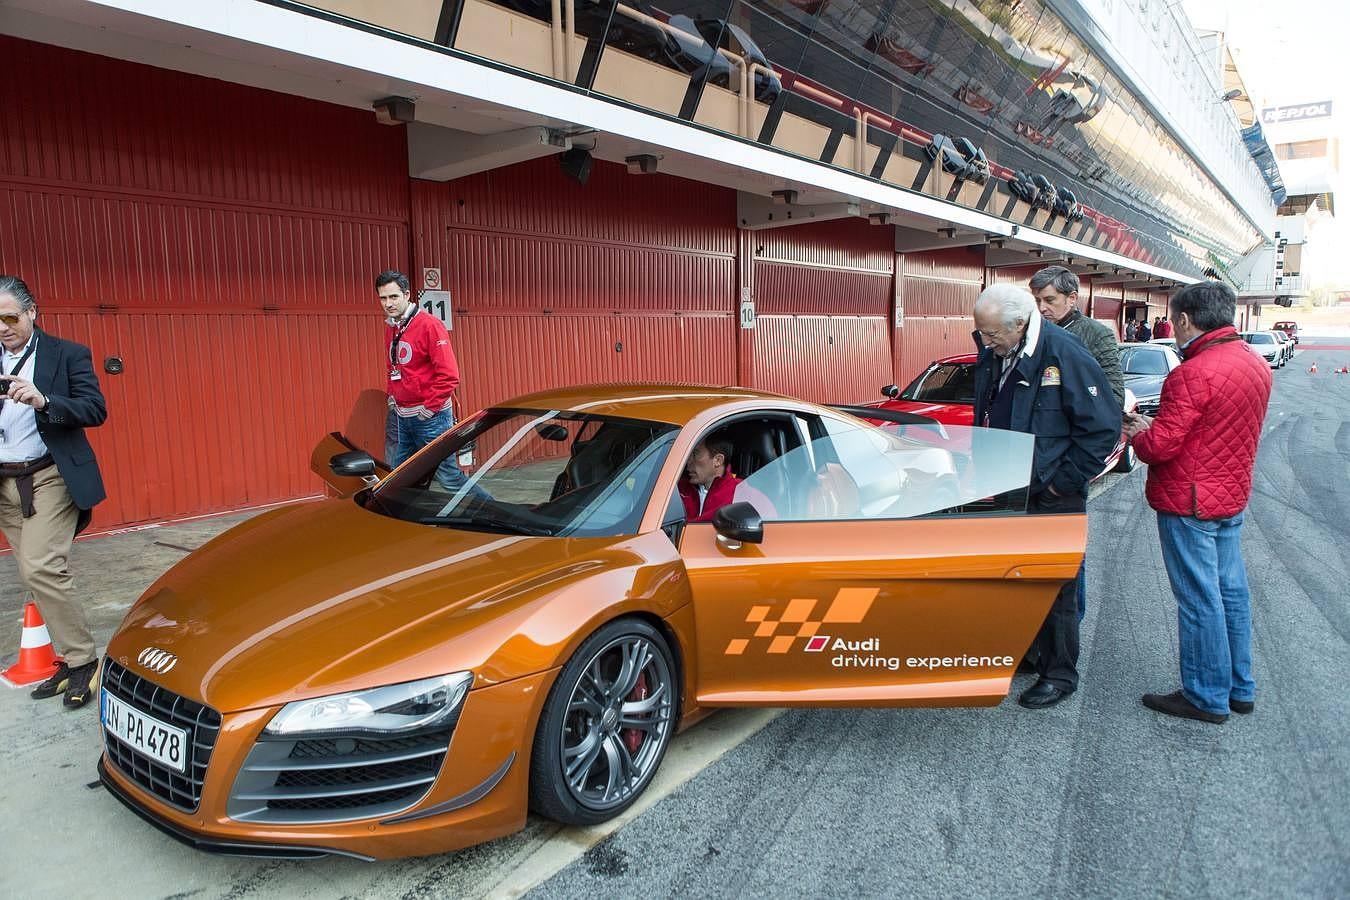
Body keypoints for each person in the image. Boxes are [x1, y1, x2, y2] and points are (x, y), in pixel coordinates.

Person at [1124, 281, 1271, 724]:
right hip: (1230, 495)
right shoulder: (1254, 363)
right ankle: (1238, 687)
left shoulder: (1191, 372)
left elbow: (1160, 447)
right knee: (1231, 593)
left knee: (1198, 599)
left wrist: (1137, 431)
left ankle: (1205, 695)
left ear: (1184, 320)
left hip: (1189, 500)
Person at [971, 284, 1120, 709]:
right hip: (1008, 488)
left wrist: (1061, 483)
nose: (985, 341)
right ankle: (1030, 653)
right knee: (1018, 579)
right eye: (981, 332)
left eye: (992, 334)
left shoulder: (1063, 353)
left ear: (1020, 324)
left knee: (1056, 586)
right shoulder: (997, 351)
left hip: (1052, 493)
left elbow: (1102, 428)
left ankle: (1059, 673)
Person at [0, 275, 108, 709]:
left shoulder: (66, 354)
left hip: (49, 476)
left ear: (31, 313)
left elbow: (94, 409)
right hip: (5, 482)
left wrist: (45, 401)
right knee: (31, 573)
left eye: (10, 316)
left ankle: (83, 661)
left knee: (43, 567)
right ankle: (68, 658)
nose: (3, 327)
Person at [1029, 265, 1125, 625]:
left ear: (1073, 298)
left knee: (1069, 557)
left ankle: (1070, 628)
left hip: (1067, 463)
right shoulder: (1032, 334)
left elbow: (1111, 400)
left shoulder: (1094, 336)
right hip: (1035, 463)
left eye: (1049, 300)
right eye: (1037, 300)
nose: (1042, 308)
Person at [376, 270, 470, 492]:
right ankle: (403, 520)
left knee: (448, 478)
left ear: (407, 294)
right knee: (399, 476)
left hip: (430, 418)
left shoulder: (429, 325)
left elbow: (449, 375)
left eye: (393, 297)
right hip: (402, 416)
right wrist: (392, 396)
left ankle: (490, 510)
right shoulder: (392, 327)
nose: (388, 303)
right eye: (383, 298)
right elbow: (394, 367)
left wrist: (429, 408)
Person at [678, 436, 741, 523]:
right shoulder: (677, 489)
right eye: (688, 454)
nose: (688, 461)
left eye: (695, 454)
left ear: (718, 460)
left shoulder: (740, 492)